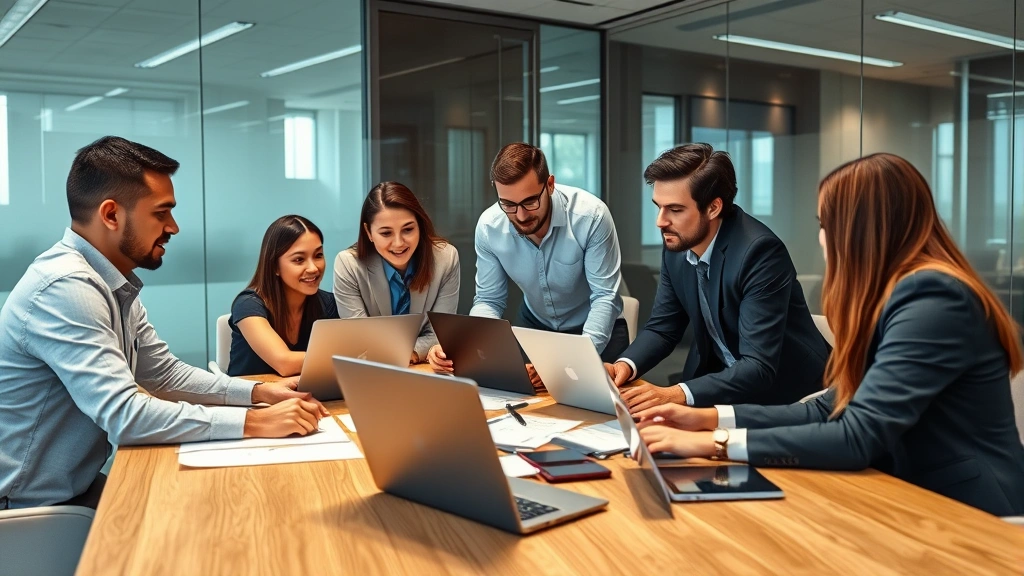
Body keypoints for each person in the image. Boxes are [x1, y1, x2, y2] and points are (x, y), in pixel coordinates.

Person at [633, 153, 1024, 517]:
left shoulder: (932, 299)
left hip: (969, 508)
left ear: (858, 230)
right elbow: (827, 408)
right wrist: (705, 418)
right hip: (908, 489)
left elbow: (858, 437)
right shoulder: (899, 294)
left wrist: (713, 444)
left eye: (824, 225)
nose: (821, 239)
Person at [0, 136, 327, 510]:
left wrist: (257, 394)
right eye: (161, 213)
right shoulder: (67, 288)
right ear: (111, 215)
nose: (173, 227)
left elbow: (164, 376)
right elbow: (126, 416)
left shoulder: (112, 282)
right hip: (27, 507)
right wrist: (254, 423)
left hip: (77, 487)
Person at [607, 143, 830, 411]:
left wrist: (674, 394)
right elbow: (662, 328)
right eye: (659, 207)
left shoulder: (759, 252)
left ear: (713, 208)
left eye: (675, 210)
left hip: (788, 395)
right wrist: (624, 365)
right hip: (717, 383)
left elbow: (757, 367)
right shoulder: (678, 245)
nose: (660, 221)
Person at [433, 142, 626, 384]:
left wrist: (573, 363)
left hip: (596, 332)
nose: (521, 215)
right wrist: (472, 344)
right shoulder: (489, 227)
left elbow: (604, 297)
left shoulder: (590, 217)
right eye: (509, 205)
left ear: (550, 185)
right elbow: (489, 300)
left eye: (530, 202)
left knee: (602, 416)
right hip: (536, 330)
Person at [333, 181, 459, 371]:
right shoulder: (348, 265)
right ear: (369, 232)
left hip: (423, 371)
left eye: (408, 229)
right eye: (386, 233)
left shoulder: (446, 258)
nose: (399, 243)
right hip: (372, 374)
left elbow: (440, 335)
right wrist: (409, 352)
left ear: (420, 225)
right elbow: (360, 341)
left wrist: (412, 352)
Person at [229, 215, 339, 377]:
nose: (313, 268)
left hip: (304, 397)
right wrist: (349, 357)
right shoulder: (248, 304)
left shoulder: (328, 303)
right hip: (251, 400)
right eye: (299, 260)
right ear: (275, 266)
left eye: (318, 255)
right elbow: (285, 363)